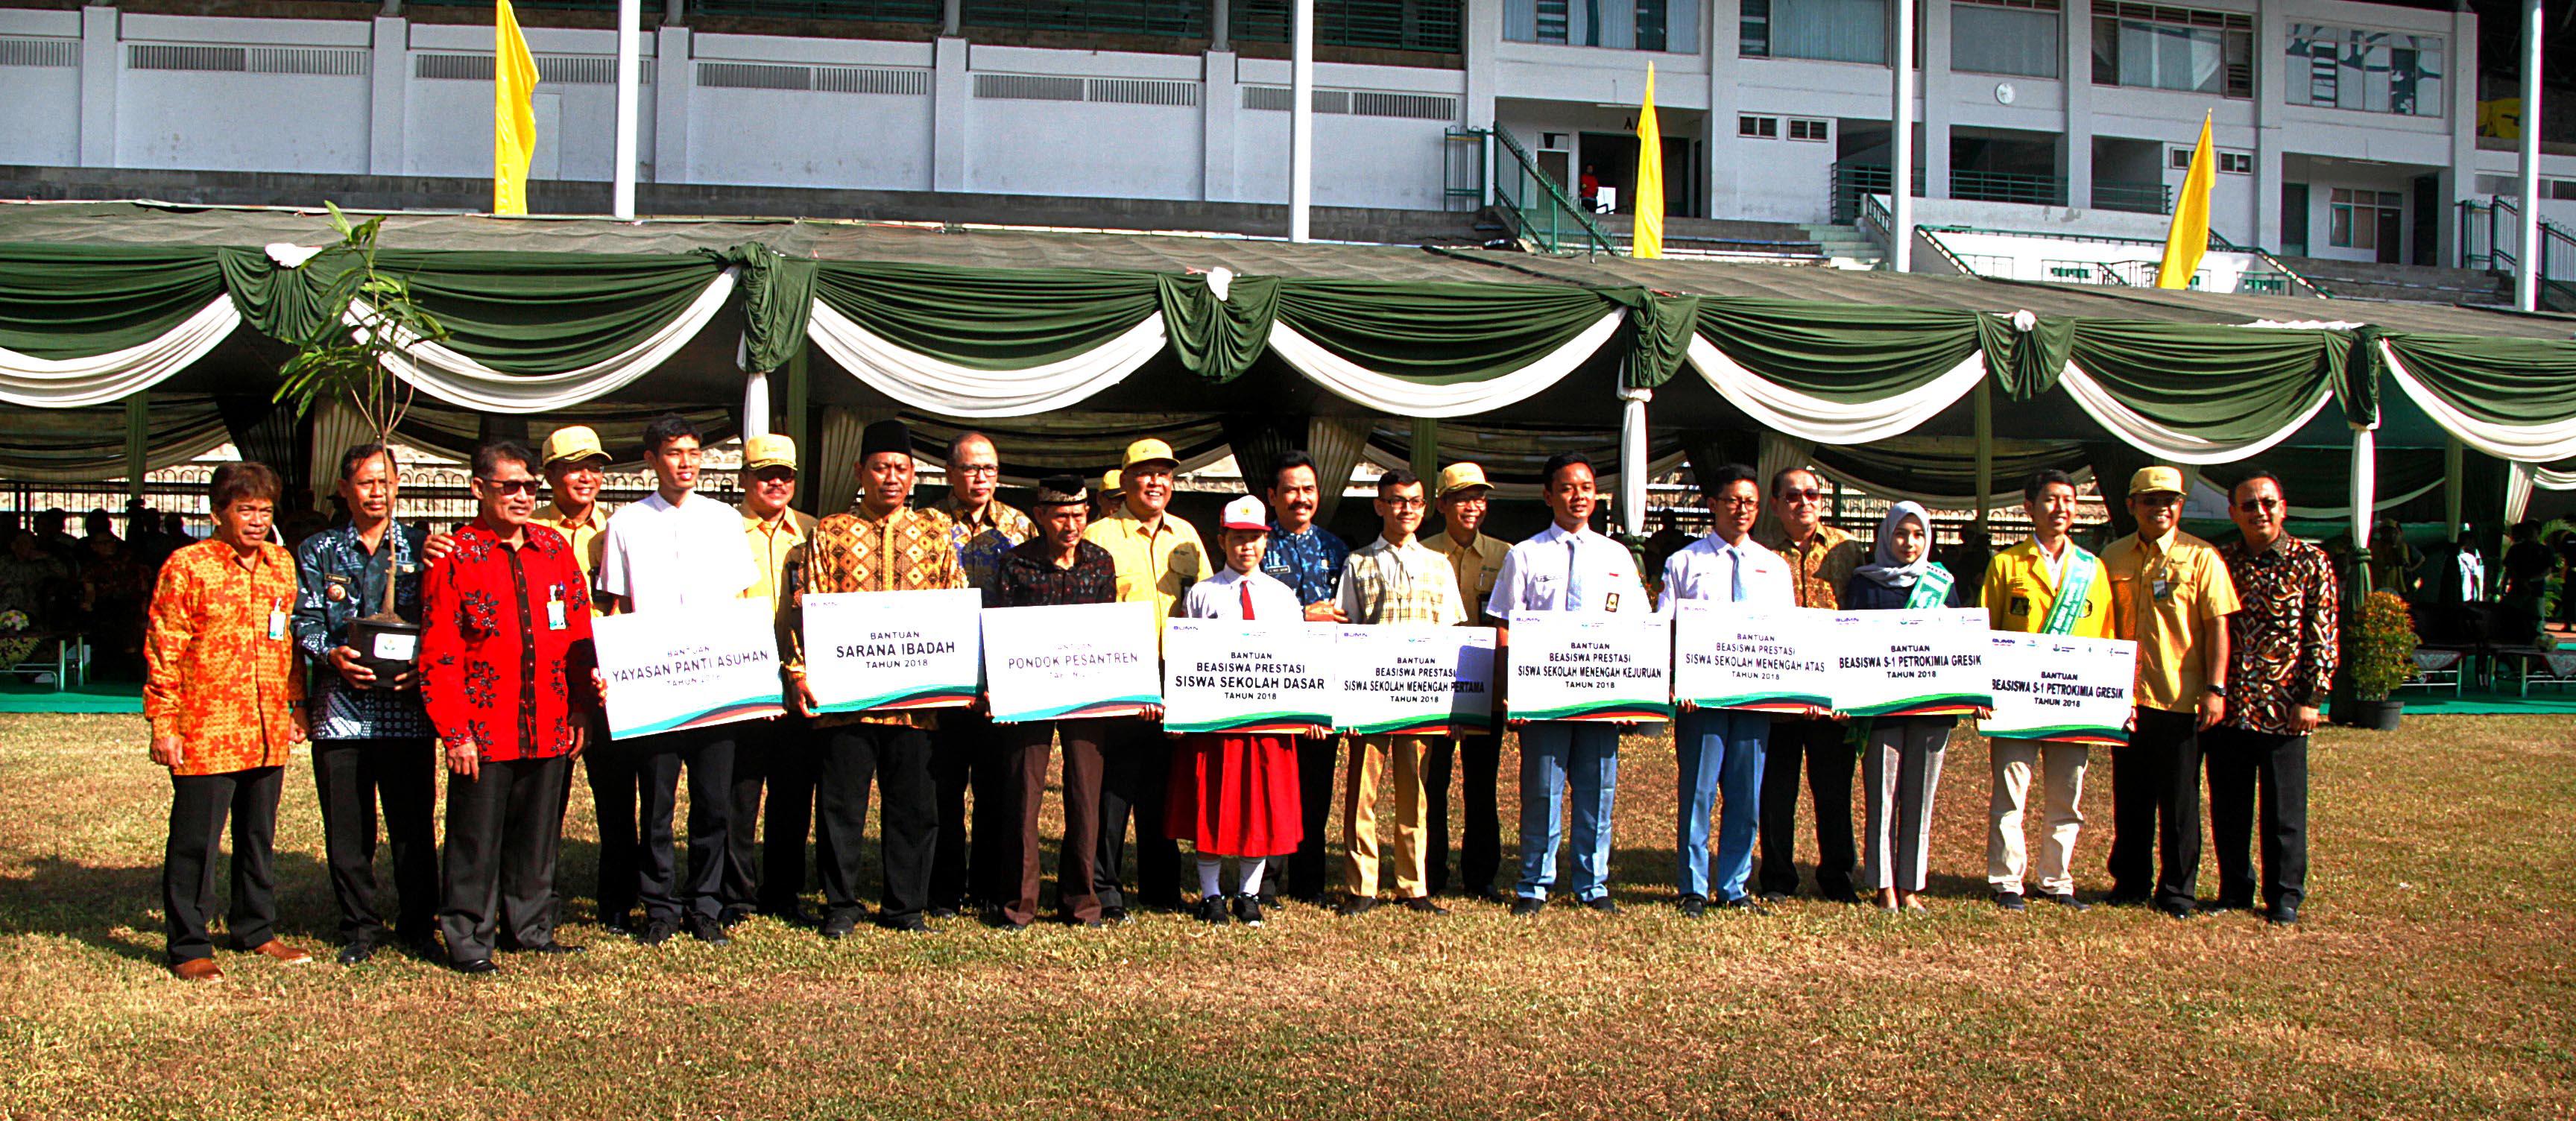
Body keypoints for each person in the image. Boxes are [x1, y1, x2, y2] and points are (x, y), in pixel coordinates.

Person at [420, 440, 599, 973]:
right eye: (509, 487)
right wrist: (454, 732)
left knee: (540, 834)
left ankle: (531, 926)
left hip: (549, 718)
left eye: (529, 487)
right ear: (480, 489)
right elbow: (438, 651)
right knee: (475, 838)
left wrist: (582, 709)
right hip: (484, 724)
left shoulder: (553, 549)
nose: (522, 497)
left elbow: (579, 633)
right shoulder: (453, 556)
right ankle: (469, 936)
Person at [787, 419, 965, 937]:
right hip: (846, 699)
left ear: (913, 477)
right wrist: (800, 671)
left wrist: (956, 677)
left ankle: (905, 907)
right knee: (842, 806)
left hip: (916, 702)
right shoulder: (831, 530)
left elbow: (952, 601)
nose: (891, 477)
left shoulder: (935, 531)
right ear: (860, 471)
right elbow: (808, 605)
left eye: (902, 469)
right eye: (881, 467)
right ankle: (841, 905)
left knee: (914, 808)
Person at [593, 414, 760, 946]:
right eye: (674, 453)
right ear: (651, 462)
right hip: (656, 689)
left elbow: (740, 600)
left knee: (713, 805)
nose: (686, 462)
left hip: (715, 684)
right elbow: (617, 606)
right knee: (657, 807)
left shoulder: (724, 521)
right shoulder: (626, 524)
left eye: (694, 452)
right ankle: (660, 907)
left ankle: (705, 903)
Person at [144, 461, 312, 980]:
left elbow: (286, 643)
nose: (257, 521)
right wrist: (163, 723)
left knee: (258, 836)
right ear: (218, 513)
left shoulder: (282, 565)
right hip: (206, 727)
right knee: (197, 840)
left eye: (264, 511)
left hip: (266, 729)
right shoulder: (187, 566)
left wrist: (296, 706)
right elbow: (164, 647)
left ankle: (255, 929)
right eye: (245, 511)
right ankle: (189, 944)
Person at [292, 443, 438, 965]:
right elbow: (302, 621)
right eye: (366, 483)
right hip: (341, 714)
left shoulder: (422, 549)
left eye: (386, 482)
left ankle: (420, 923)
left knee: (413, 827)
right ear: (344, 489)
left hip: (407, 711)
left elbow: (444, 621)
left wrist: (425, 666)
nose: (378, 492)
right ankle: (360, 926)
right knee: (348, 829)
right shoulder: (319, 551)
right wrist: (331, 655)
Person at [1489, 451, 1650, 916]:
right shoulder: (1526, 554)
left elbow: (1638, 626)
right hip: (1542, 698)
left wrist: (1633, 695)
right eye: (1567, 487)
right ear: (1547, 495)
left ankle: (1592, 883)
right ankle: (1534, 884)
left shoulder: (1616, 555)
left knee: (1598, 790)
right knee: (1542, 791)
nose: (1578, 496)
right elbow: (1503, 625)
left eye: (1586, 487)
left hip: (1602, 696)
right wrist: (1511, 689)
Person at [1659, 463, 1797, 917]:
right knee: (1697, 797)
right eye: (1734, 501)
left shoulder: (1773, 568)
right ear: (1713, 504)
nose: (1742, 510)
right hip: (1701, 702)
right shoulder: (1684, 562)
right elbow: (1667, 629)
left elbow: (1785, 635)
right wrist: (1678, 682)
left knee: (1746, 797)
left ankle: (1735, 886)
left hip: (1755, 702)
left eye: (1751, 503)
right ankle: (1694, 887)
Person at [2102, 465, 2240, 919]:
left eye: (2169, 501)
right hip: (2127, 700)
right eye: (2150, 500)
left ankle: (2178, 890)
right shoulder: (2113, 557)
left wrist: (2216, 688)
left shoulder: (2201, 558)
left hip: (2181, 698)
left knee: (2180, 801)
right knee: (2130, 794)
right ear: (2131, 506)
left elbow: (2218, 626)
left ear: (2180, 506)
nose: (2160, 509)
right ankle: (2130, 882)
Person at [1169, 495, 1313, 927]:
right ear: (1222, 541)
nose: (1246, 546)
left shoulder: (1283, 598)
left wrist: (1308, 713)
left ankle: (1248, 895)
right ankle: (1211, 895)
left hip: (1269, 724)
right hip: (1216, 726)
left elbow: (1300, 661)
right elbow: (1184, 660)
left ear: (1265, 542)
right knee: (1211, 806)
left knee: (1260, 809)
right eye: (1237, 538)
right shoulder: (1201, 595)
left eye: (1254, 538)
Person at [1082, 438, 1210, 921]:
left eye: (1164, 473)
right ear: (1126, 478)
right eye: (1144, 472)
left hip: (1175, 673)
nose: (1155, 481)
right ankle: (1106, 890)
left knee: (1164, 785)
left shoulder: (1187, 536)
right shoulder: (1099, 536)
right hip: (1120, 673)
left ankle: (1161, 888)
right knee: (1113, 788)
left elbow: (1204, 608)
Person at [987, 476, 1122, 929]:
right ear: (1041, 516)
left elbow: (1109, 628)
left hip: (1087, 692)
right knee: (1023, 794)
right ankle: (1018, 904)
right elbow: (998, 626)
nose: (1071, 524)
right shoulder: (1015, 564)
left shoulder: (1101, 563)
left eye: (1080, 515)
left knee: (1086, 794)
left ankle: (1081, 902)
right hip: (1029, 692)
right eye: (1061, 515)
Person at [1331, 469, 1466, 917]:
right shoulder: (1358, 562)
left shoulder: (1438, 564)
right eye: (1395, 501)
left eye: (1413, 501)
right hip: (1370, 696)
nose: (1405, 509)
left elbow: (1451, 634)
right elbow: (1345, 630)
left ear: (1425, 508)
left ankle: (1414, 884)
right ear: (1379, 506)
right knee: (1362, 792)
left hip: (1421, 697)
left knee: (1417, 792)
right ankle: (1362, 885)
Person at [1980, 470, 2114, 912]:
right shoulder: (2006, 565)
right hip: (2016, 702)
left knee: (2066, 795)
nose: (2061, 508)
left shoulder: (2092, 570)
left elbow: (2107, 639)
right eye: (2051, 500)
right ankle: (2007, 882)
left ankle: (2057, 881)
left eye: (2069, 500)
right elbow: (1985, 629)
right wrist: (1984, 690)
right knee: (2009, 796)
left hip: (2073, 702)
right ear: (2029, 507)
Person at [2209, 472, 2338, 926]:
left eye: (2267, 503)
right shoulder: (2221, 561)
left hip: (2284, 707)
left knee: (2285, 809)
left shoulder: (2311, 561)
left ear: (2283, 507)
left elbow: (2322, 635)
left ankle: (2285, 894)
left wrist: (2311, 697)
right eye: (2248, 505)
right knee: (2229, 805)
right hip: (2230, 706)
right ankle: (2234, 888)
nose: (2258, 512)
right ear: (2234, 513)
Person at [1840, 502, 1970, 913]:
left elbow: (1961, 646)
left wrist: (1971, 695)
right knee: (1882, 796)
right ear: (1885, 536)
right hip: (1881, 709)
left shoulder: (1943, 584)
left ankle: (1911, 884)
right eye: (1901, 533)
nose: (1909, 543)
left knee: (1920, 796)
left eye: (1917, 535)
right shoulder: (1864, 584)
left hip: (1931, 710)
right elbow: (1850, 642)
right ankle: (1883, 885)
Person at [928, 431, 1036, 915]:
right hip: (943, 675)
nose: (981, 478)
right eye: (971, 468)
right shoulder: (925, 524)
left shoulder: (1021, 526)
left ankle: (991, 886)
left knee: (999, 789)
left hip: (1003, 676)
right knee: (942, 788)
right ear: (950, 473)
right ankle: (944, 889)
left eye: (989, 468)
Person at [534, 425, 637, 932]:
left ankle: (616, 901)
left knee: (617, 798)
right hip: (547, 682)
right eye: (574, 467)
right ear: (549, 473)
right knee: (543, 802)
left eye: (595, 467)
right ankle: (537, 899)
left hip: (611, 678)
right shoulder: (529, 530)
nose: (587, 477)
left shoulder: (619, 530)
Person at [1752, 466, 1866, 903]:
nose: (1805, 503)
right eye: (1793, 496)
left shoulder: (1849, 551)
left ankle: (1837, 876)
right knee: (1777, 790)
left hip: (1833, 692)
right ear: (1777, 504)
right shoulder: (1761, 554)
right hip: (1779, 688)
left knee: (1834, 790)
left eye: (1812, 495)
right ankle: (1778, 877)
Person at [721, 434, 821, 928]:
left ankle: (783, 890)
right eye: (765, 475)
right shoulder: (720, 531)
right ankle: (735, 893)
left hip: (801, 677)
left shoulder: (814, 530)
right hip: (744, 675)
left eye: (784, 475)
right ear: (745, 480)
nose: (776, 483)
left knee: (793, 792)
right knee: (739, 791)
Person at [1260, 450, 1351, 905]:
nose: (1301, 498)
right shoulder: (1258, 546)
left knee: (1317, 786)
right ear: (1273, 496)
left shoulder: (1336, 549)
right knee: (1276, 782)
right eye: (1291, 490)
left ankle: (1310, 881)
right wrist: (1301, 616)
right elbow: (1249, 613)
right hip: (1272, 681)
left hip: (1324, 681)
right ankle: (1268, 880)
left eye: (1309, 490)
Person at [1424, 462, 1510, 902]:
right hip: (1432, 691)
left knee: (1482, 784)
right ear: (1441, 504)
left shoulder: (1505, 555)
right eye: (1461, 497)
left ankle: (1481, 875)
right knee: (1431, 783)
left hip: (1488, 691)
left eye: (1479, 497)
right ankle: (1430, 871)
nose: (1472, 506)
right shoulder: (1422, 554)